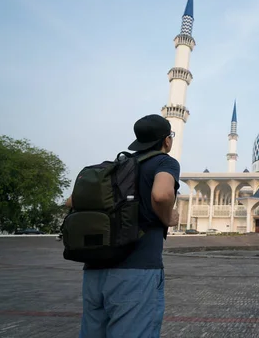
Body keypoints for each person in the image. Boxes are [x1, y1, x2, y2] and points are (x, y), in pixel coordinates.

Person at [66, 114, 180, 338]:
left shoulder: (116, 166)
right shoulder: (164, 162)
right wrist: (168, 219)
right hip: (136, 271)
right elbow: (162, 194)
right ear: (167, 141)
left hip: (95, 271)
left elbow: (71, 201)